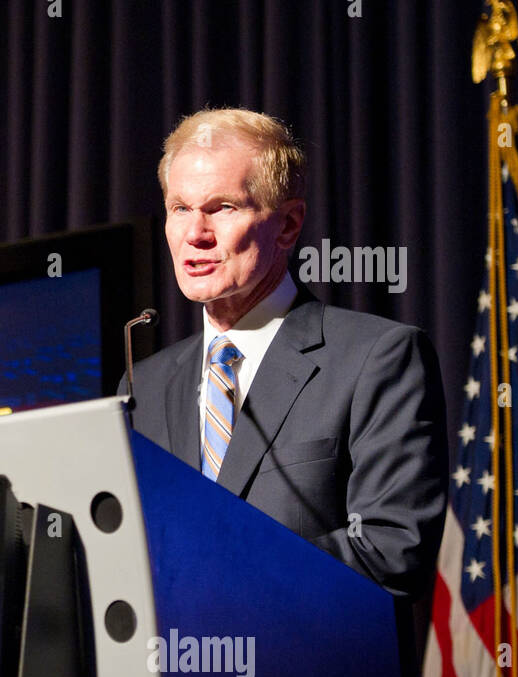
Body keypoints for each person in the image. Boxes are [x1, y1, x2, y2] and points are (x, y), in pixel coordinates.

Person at [123, 108, 448, 599]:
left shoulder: (377, 359)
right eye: (179, 208)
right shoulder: (142, 387)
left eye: (223, 208)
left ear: (289, 224)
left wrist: (219, 577)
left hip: (313, 670)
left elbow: (393, 549)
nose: (195, 233)